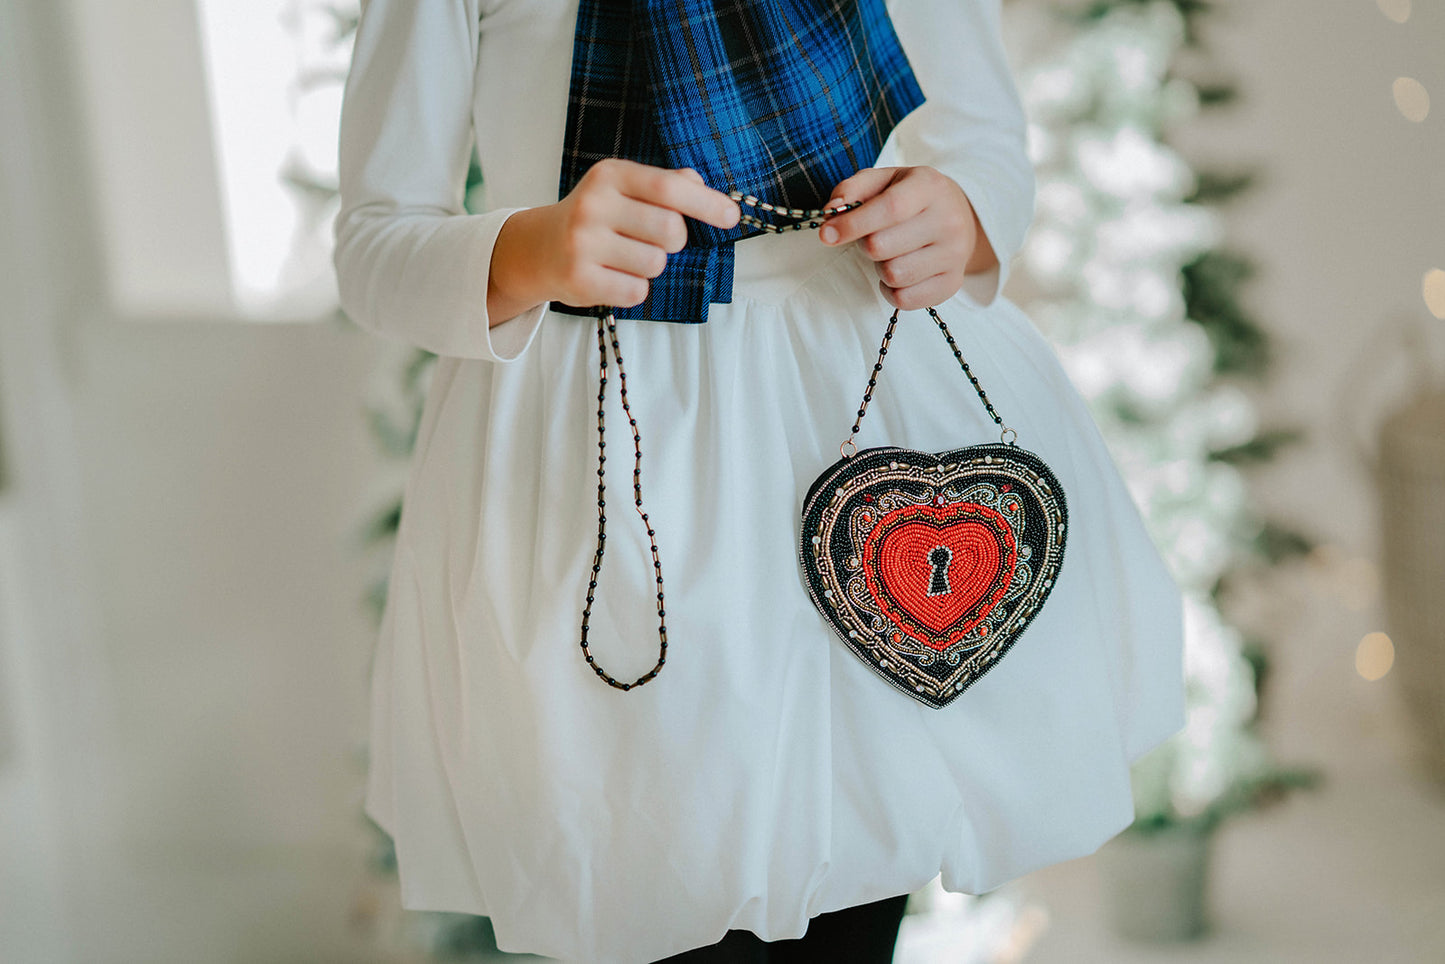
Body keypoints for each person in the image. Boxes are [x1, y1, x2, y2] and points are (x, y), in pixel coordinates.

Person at [332, 1, 1188, 961]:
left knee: (858, 879)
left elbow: (982, 140)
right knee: (649, 860)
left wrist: (962, 215)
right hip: (614, 463)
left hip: (861, 421)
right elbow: (373, 240)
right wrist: (537, 249)